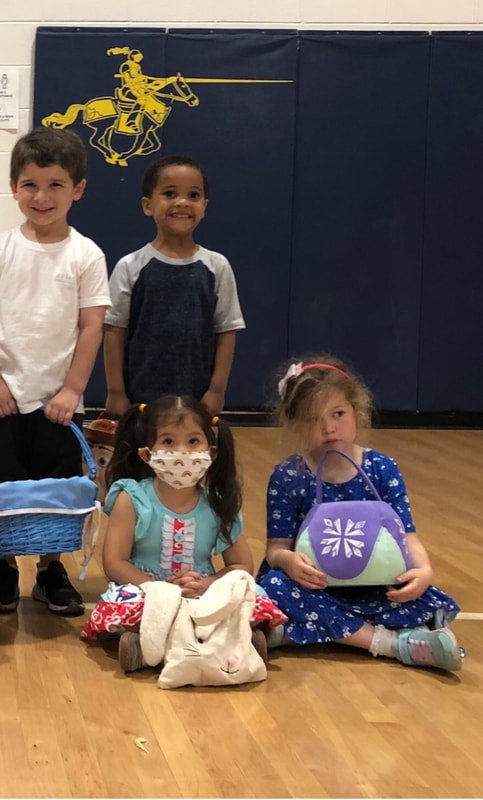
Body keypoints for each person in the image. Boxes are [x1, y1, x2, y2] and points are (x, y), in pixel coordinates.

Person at [0, 126, 110, 616]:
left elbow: (92, 325)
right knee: (4, 486)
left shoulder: (86, 254)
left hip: (59, 401)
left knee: (58, 487)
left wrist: (73, 388)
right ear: (13, 187)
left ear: (78, 189)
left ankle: (51, 570)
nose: (42, 196)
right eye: (30, 184)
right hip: (4, 394)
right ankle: (3, 567)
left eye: (55, 185)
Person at [258, 357, 462, 671]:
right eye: (313, 420)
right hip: (315, 586)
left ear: (357, 410)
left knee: (423, 597)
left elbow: (408, 537)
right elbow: (276, 549)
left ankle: (298, 632)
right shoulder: (288, 476)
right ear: (296, 424)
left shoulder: (382, 468)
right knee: (273, 588)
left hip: (375, 585)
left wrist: (423, 572)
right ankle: (394, 644)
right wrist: (288, 561)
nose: (328, 428)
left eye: (338, 414)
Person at [80, 396, 285, 671]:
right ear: (147, 454)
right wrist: (156, 588)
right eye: (168, 442)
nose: (182, 452)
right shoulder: (132, 497)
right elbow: (115, 562)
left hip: (200, 591)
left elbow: (240, 567)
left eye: (193, 441)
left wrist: (208, 583)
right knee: (125, 606)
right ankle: (216, 644)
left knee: (250, 596)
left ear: (210, 453)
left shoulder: (218, 503)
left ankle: (165, 646)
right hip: (147, 589)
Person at [103, 155, 244, 418]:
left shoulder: (217, 266)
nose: (182, 202)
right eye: (169, 193)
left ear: (204, 206)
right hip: (139, 400)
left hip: (196, 401)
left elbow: (226, 330)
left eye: (193, 195)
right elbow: (114, 331)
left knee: (190, 459)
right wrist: (116, 391)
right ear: (147, 205)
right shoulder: (130, 266)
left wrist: (217, 389)